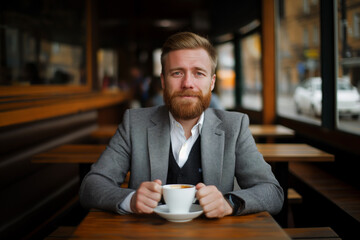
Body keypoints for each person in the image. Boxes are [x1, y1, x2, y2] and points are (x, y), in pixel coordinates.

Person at [80, 32, 284, 218]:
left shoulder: (235, 126)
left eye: (199, 73)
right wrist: (131, 200)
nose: (188, 83)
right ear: (163, 81)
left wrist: (228, 203)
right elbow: (91, 186)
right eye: (177, 73)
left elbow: (272, 192)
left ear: (212, 83)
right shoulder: (135, 123)